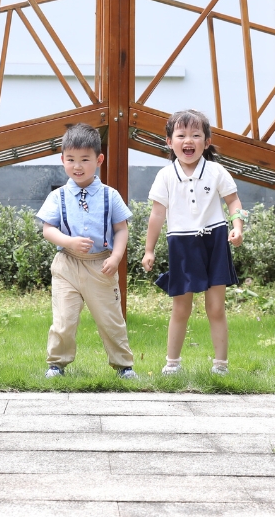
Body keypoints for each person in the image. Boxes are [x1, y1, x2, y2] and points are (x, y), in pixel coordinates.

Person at [142, 110, 246, 375]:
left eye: (196, 135)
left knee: (216, 307)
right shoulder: (165, 176)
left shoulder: (217, 171)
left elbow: (233, 202)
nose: (188, 140)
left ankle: (221, 366)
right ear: (169, 141)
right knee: (180, 308)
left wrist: (237, 227)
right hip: (181, 245)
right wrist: (149, 249)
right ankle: (172, 365)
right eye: (181, 135)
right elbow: (157, 214)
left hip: (215, 242)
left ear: (207, 142)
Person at [36, 123, 138, 380]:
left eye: (84, 159)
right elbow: (48, 230)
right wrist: (69, 242)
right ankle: (56, 365)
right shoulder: (58, 196)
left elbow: (121, 230)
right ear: (62, 160)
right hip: (67, 265)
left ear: (99, 159)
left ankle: (124, 366)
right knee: (63, 320)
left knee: (111, 319)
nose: (77, 166)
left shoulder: (109, 195)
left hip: (100, 265)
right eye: (70, 160)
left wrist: (115, 257)